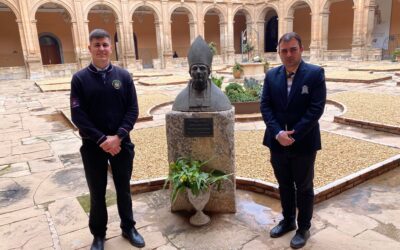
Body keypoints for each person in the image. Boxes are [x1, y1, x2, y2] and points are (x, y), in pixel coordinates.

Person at [70, 29, 145, 250]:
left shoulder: (123, 76)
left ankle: (128, 227)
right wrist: (103, 139)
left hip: (122, 144)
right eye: (97, 45)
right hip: (93, 147)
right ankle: (99, 235)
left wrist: (119, 136)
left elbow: (132, 109)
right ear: (89, 48)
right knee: (97, 191)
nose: (102, 49)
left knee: (124, 188)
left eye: (105, 44)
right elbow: (78, 115)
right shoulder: (80, 79)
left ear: (111, 47)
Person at [260, 32, 326, 249]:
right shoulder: (271, 76)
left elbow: (316, 109)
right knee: (284, 184)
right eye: (284, 50)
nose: (288, 55)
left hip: (304, 143)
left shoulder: (315, 74)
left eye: (293, 49)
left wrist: (294, 135)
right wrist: (278, 133)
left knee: (304, 187)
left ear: (301, 50)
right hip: (276, 142)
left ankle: (303, 227)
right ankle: (288, 221)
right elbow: (265, 106)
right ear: (279, 52)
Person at [172, 36, 231, 112]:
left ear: (209, 72)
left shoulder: (220, 99)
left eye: (202, 68)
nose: (198, 72)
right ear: (190, 72)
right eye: (195, 68)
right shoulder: (180, 100)